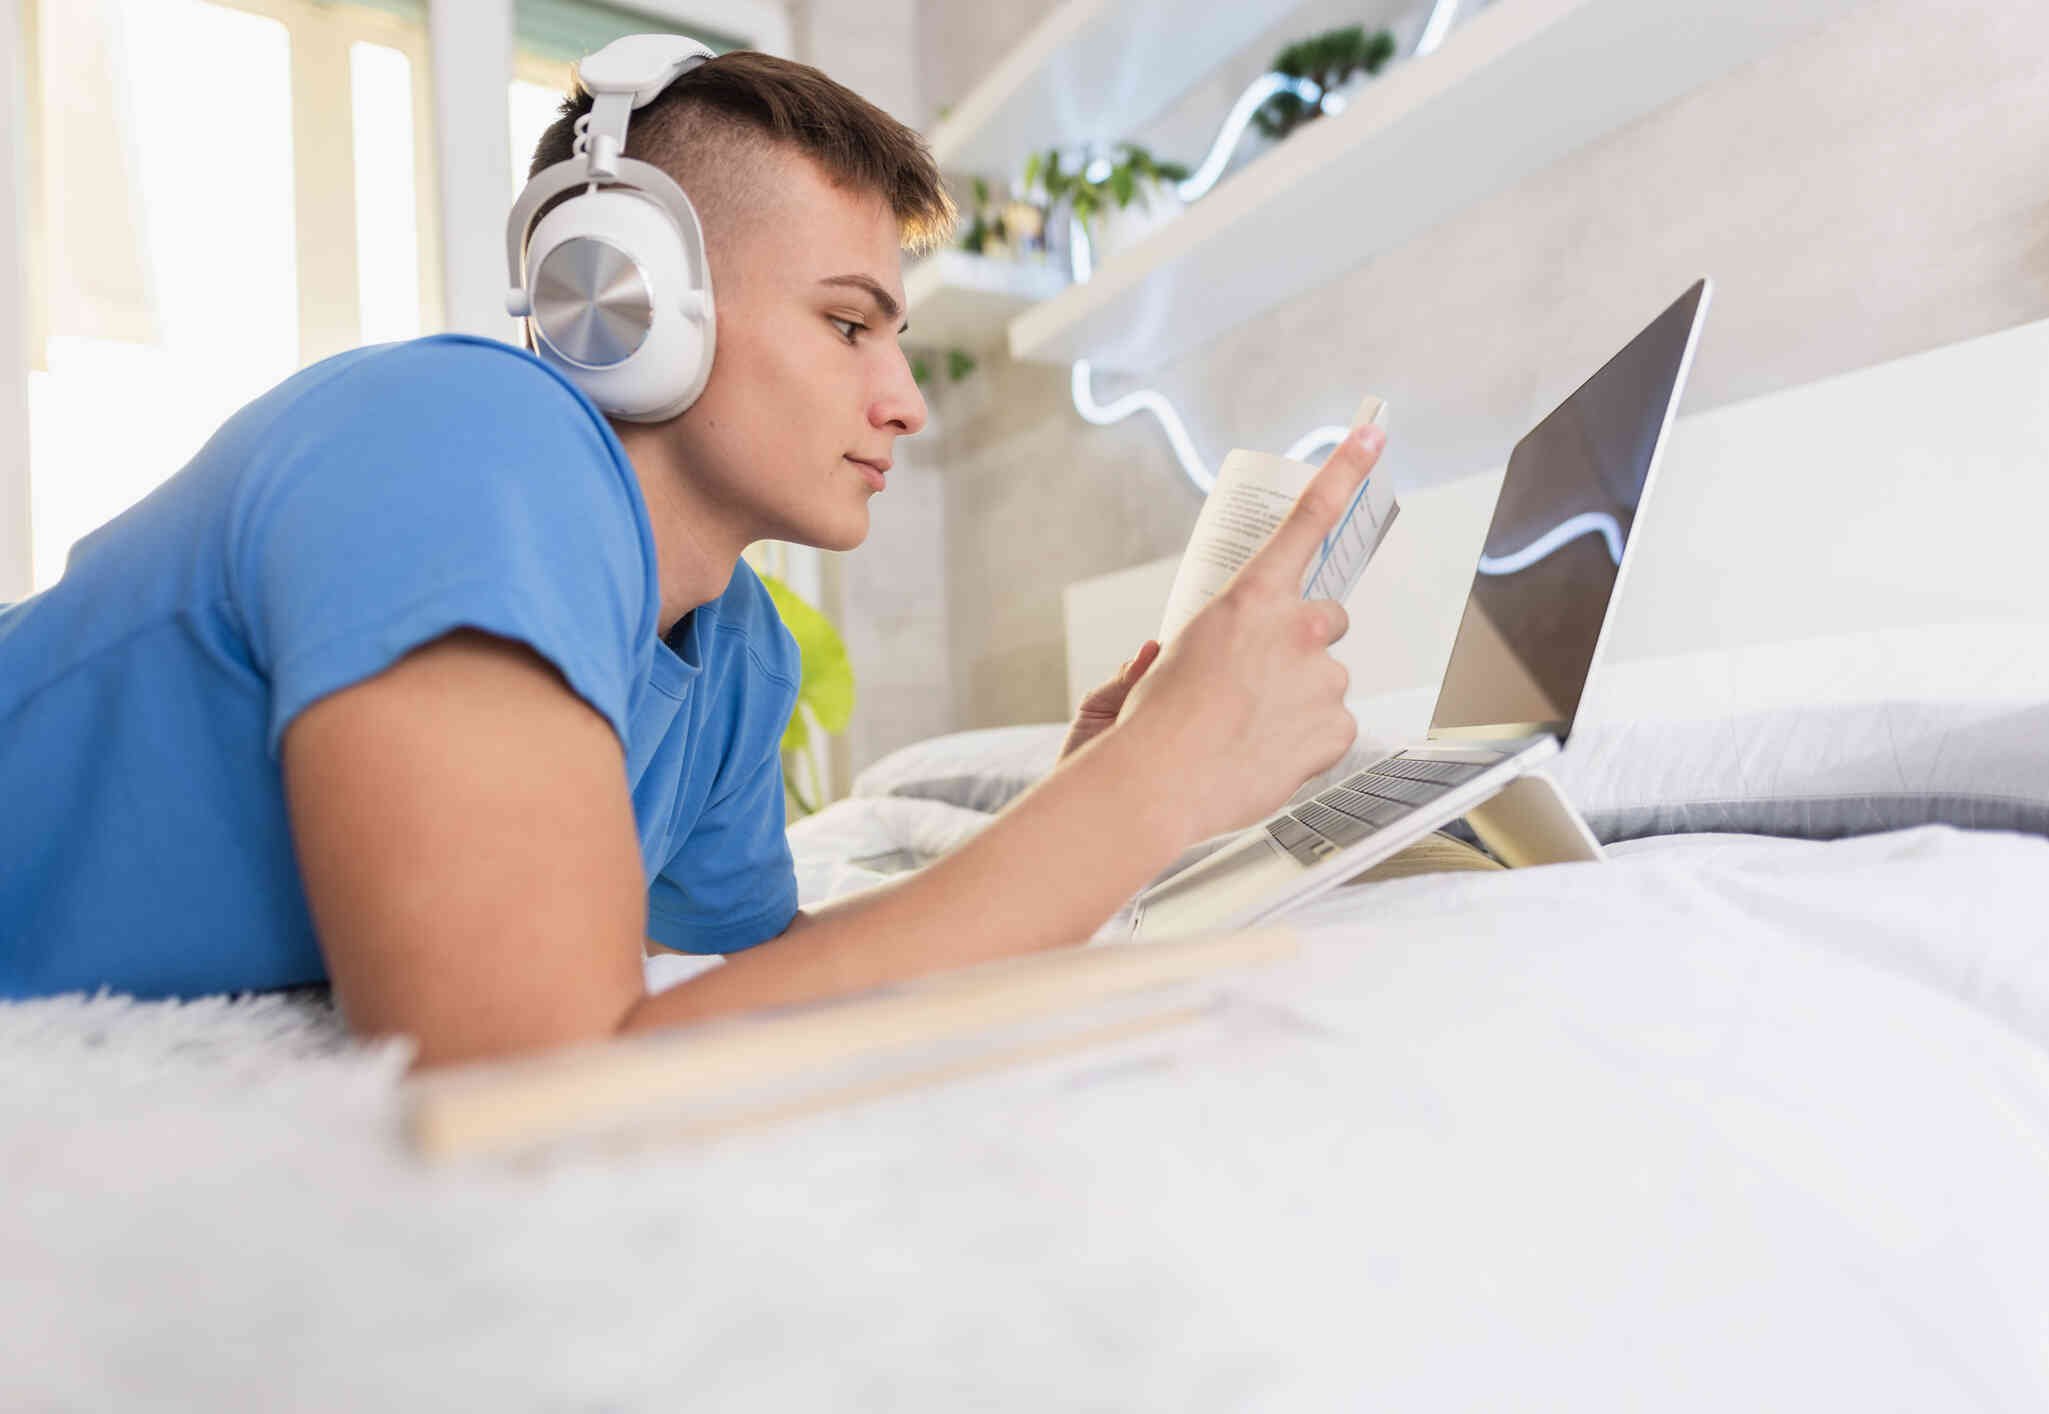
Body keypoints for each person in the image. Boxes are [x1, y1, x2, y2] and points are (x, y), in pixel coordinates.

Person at [0, 43, 1382, 1065]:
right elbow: (523, 1076)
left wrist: (1073, 804)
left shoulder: (737, 648)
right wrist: (1152, 785)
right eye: (850, 324)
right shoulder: (460, 444)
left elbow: (770, 976)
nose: (905, 396)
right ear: (621, 302)